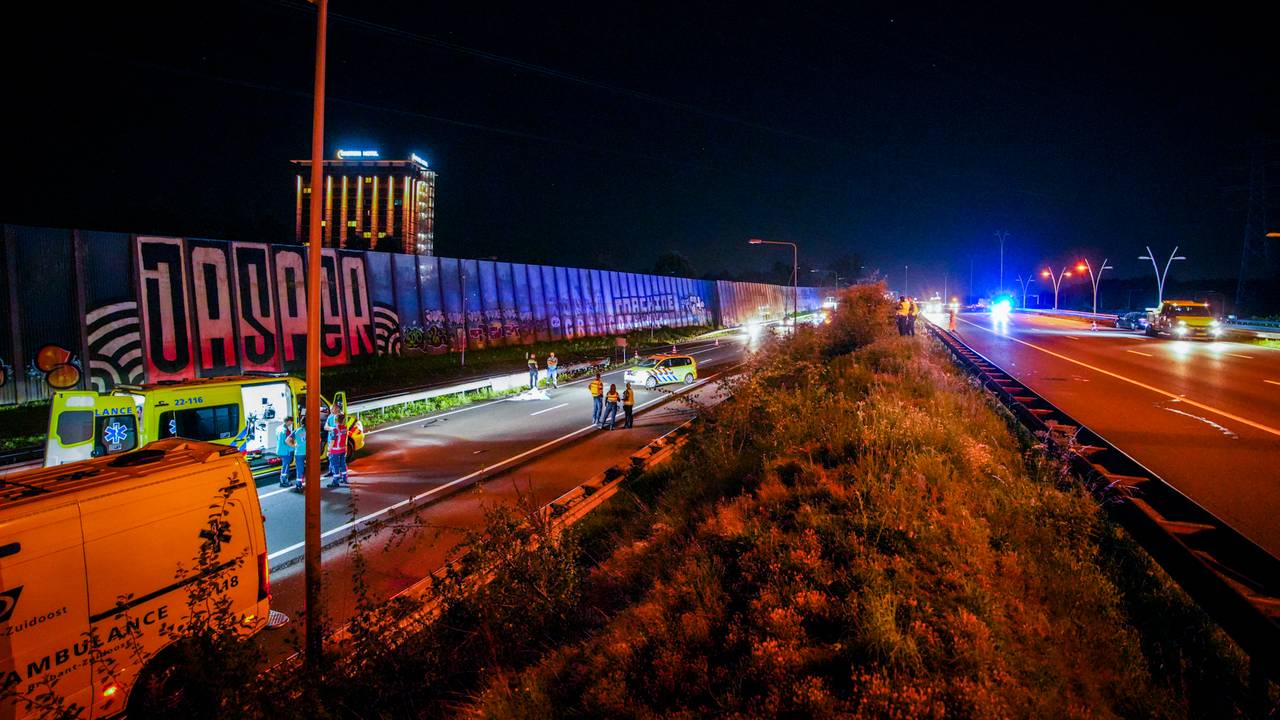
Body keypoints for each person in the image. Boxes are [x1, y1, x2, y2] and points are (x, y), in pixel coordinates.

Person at [328, 412, 349, 488]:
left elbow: (332, 441)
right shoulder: (345, 428)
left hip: (335, 450)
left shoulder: (334, 430)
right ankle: (344, 478)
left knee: (335, 465)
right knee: (343, 464)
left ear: (335, 420)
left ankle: (335, 481)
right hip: (342, 449)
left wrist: (329, 451)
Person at [276, 416, 296, 488]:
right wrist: (294, 446)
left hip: (280, 450)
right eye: (291, 422)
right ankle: (283, 481)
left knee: (284, 465)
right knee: (286, 466)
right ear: (288, 421)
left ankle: (283, 479)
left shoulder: (278, 428)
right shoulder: (286, 431)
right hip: (286, 450)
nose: (291, 423)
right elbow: (287, 441)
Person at [290, 415, 307, 491]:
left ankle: (298, 485)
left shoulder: (297, 431)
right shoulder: (312, 430)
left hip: (299, 452)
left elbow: (287, 440)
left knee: (300, 469)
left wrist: (294, 446)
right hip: (308, 452)